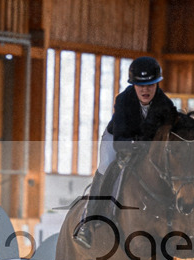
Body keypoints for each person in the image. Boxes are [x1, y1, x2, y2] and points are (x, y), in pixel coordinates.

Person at [73, 56, 177, 248]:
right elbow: (120, 139)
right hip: (118, 140)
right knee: (105, 168)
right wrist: (135, 147)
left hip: (147, 148)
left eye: (150, 85)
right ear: (134, 86)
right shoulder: (123, 100)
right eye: (140, 85)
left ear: (157, 84)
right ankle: (88, 222)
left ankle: (178, 221)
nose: (145, 90)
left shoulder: (166, 106)